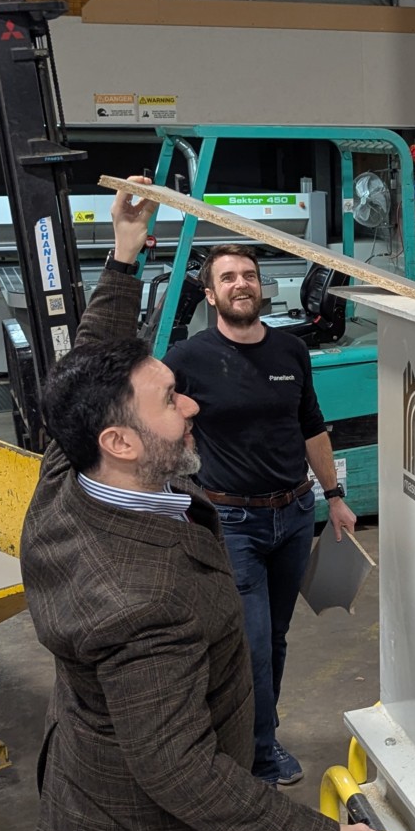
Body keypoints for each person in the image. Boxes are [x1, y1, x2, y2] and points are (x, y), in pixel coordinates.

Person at [22, 180, 413, 831]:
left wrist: (123, 256)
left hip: (85, 799)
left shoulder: (67, 477)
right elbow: (180, 769)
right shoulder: (134, 589)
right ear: (126, 443)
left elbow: (88, 363)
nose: (186, 401)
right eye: (168, 404)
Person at [164, 243, 356, 789]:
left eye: (249, 274)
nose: (241, 283)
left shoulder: (290, 351)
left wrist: (334, 496)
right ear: (210, 294)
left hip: (294, 514)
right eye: (228, 277)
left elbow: (311, 425)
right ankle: (256, 751)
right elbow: (164, 429)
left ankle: (255, 731)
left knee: (276, 636)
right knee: (250, 641)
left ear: (261, 285)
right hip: (231, 523)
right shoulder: (187, 359)